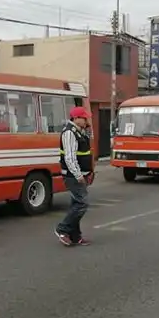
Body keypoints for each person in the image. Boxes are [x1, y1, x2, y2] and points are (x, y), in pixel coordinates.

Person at [55, 106, 93, 247]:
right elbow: (70, 157)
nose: (86, 120)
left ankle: (75, 236)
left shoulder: (79, 132)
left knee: (76, 204)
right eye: (84, 118)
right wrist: (78, 175)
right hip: (73, 175)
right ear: (76, 118)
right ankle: (62, 229)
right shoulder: (69, 133)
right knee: (82, 203)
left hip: (80, 174)